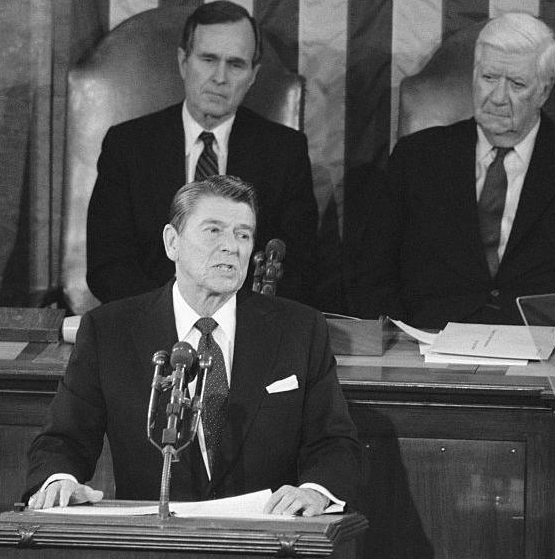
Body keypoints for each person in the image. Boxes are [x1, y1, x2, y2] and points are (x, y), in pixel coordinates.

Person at [26, 176, 360, 516]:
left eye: (243, 234)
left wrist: (316, 491)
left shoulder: (299, 329)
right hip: (154, 543)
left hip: (265, 540)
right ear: (173, 242)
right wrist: (58, 480)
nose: (232, 246)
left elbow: (333, 441)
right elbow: (63, 440)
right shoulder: (110, 330)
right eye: (213, 231)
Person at [351, 12, 555, 328]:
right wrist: (401, 343)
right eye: (489, 78)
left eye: (517, 84)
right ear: (473, 76)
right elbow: (373, 276)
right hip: (431, 349)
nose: (497, 98)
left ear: (544, 91)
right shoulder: (417, 158)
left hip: (552, 355)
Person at [86, 0, 318, 306]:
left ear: (253, 75)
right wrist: (173, 315)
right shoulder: (127, 146)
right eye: (208, 59)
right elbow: (108, 265)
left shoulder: (285, 152)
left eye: (236, 64)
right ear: (184, 62)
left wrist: (226, 319)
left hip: (246, 329)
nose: (220, 77)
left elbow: (299, 268)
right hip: (149, 323)